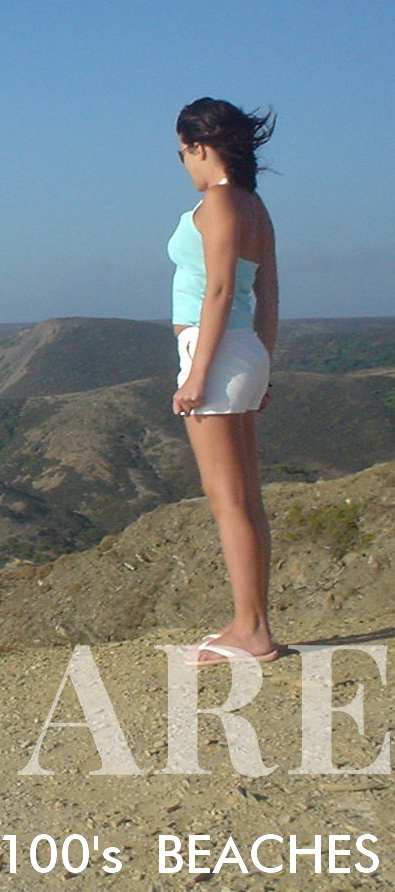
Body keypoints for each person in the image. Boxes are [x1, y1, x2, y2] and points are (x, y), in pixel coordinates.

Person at [168, 97, 280, 667]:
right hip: (246, 351)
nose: (184, 165)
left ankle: (251, 632)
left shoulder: (217, 203)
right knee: (246, 500)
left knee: (226, 502)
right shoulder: (253, 205)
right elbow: (267, 294)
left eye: (183, 153)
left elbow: (218, 292)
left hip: (215, 353)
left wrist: (198, 375)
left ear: (199, 147)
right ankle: (250, 621)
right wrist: (262, 363)